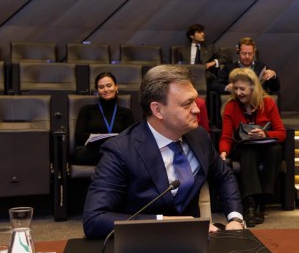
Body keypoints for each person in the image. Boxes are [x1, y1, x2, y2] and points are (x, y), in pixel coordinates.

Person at [83, 65, 244, 239]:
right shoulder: (121, 150)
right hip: (142, 246)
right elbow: (94, 219)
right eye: (186, 104)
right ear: (158, 110)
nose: (197, 109)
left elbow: (224, 176)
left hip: (196, 244)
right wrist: (166, 223)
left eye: (195, 101)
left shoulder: (199, 137)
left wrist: (235, 218)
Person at [219, 68, 286, 227]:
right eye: (235, 88)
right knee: (249, 151)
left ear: (253, 88)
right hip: (243, 148)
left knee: (276, 149)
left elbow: (281, 133)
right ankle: (249, 204)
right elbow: (226, 136)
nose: (238, 92)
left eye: (242, 89)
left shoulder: (268, 102)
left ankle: (261, 203)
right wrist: (223, 152)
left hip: (265, 146)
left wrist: (265, 135)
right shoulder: (231, 106)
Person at [72, 72, 135, 166]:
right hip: (92, 152)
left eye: (109, 85)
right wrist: (97, 138)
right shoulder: (86, 110)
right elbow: (79, 136)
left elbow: (130, 137)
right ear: (97, 90)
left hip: (117, 151)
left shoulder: (126, 113)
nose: (105, 90)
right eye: (101, 87)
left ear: (116, 87)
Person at [211, 37, 280, 95]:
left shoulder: (262, 67)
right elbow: (214, 85)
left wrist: (274, 76)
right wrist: (227, 87)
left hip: (258, 102)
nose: (247, 57)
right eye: (244, 53)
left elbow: (275, 88)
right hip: (237, 101)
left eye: (250, 54)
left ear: (254, 53)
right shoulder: (229, 68)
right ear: (238, 52)